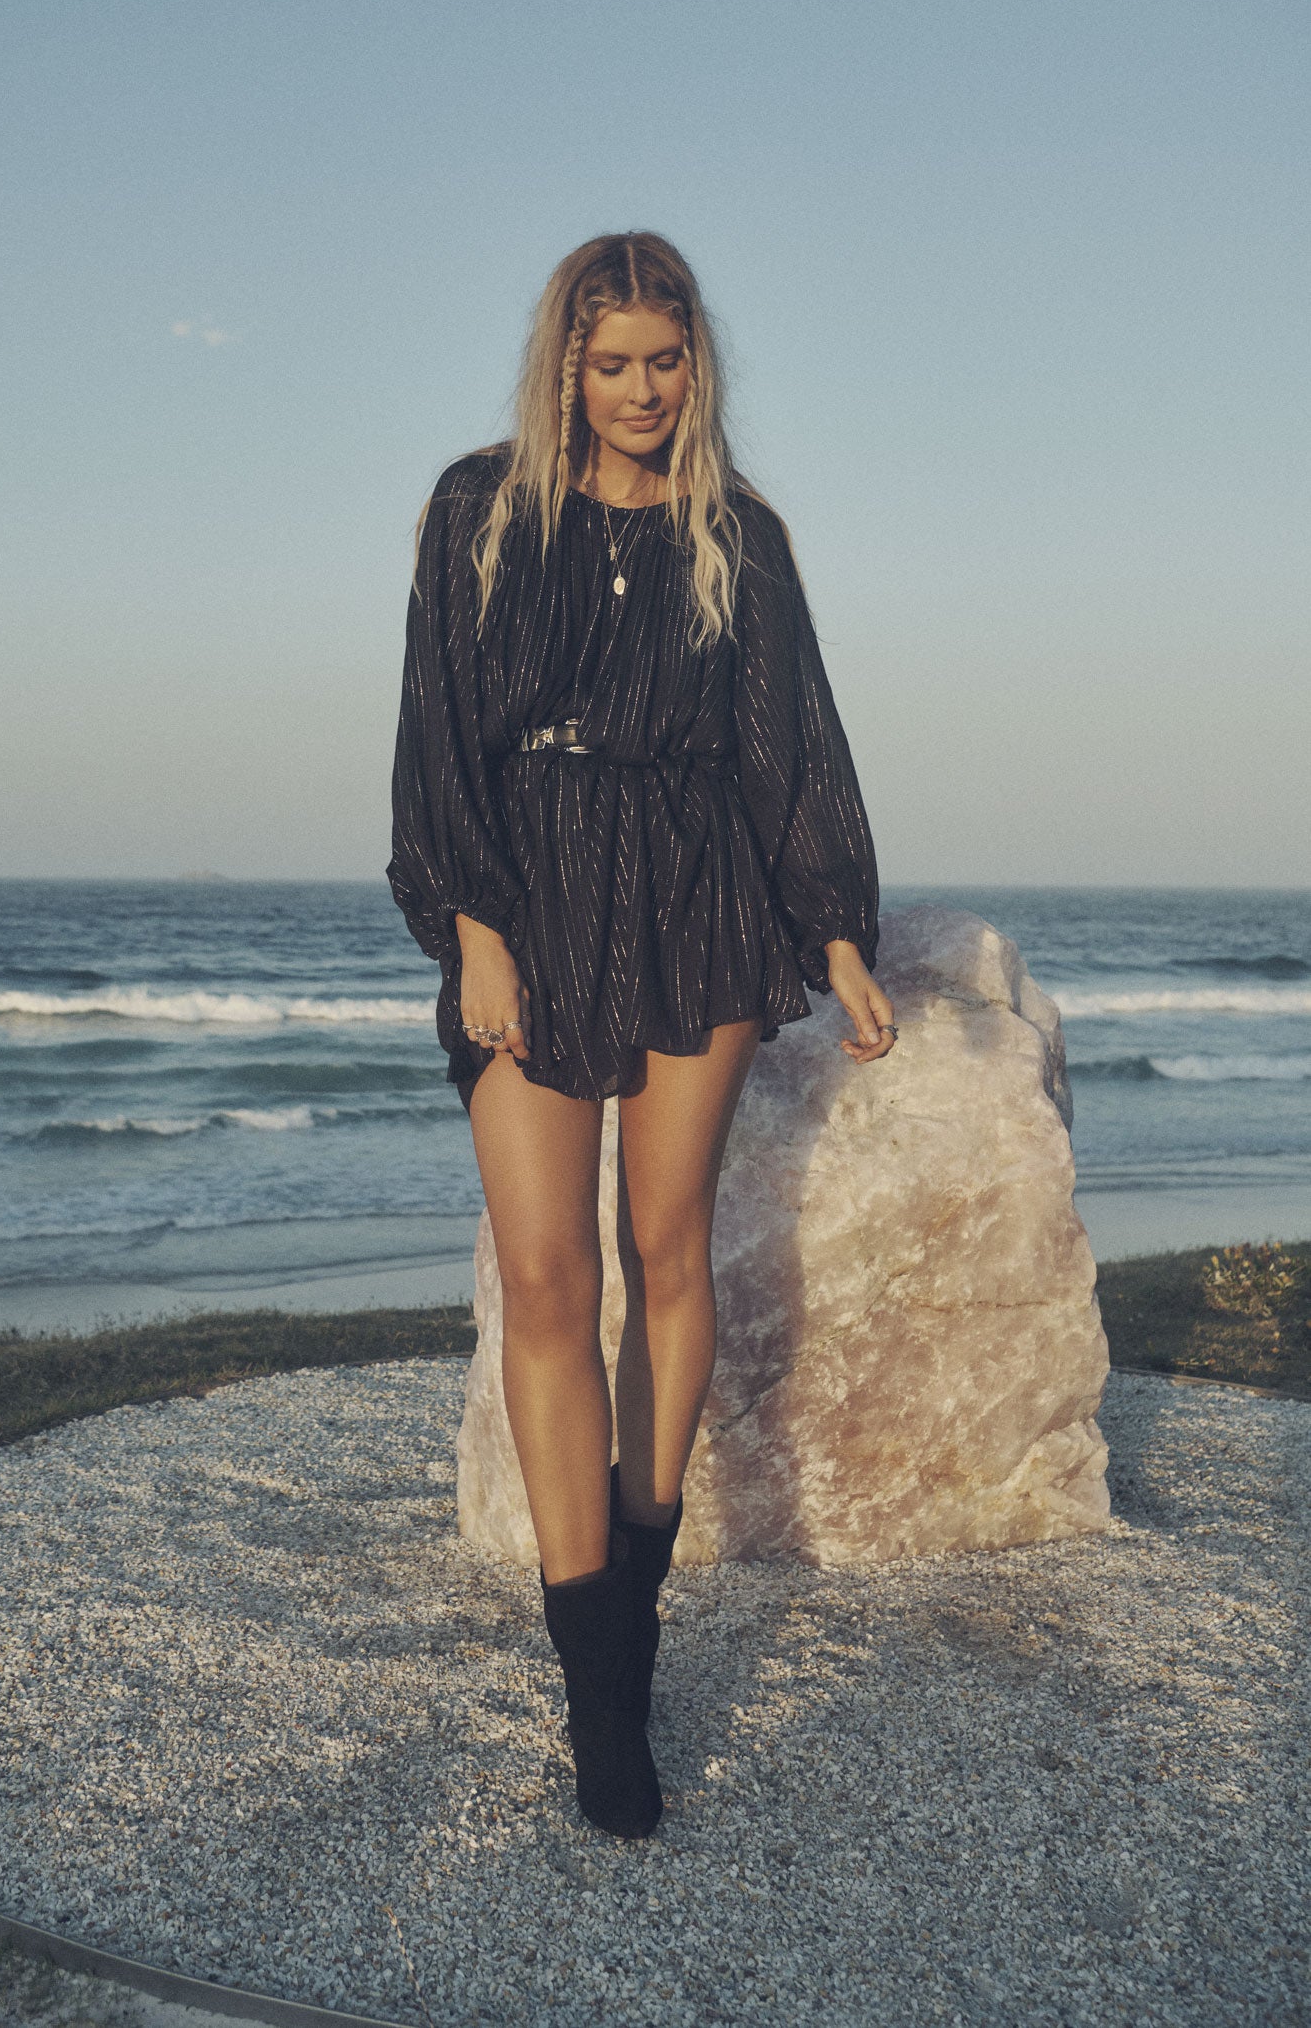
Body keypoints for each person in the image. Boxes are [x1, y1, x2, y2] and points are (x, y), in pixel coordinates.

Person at [386, 232, 892, 1841]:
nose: (642, 392)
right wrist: (473, 922)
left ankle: (634, 1615)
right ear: (564, 365)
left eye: (666, 361)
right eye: (613, 364)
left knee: (664, 1243)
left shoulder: (740, 536)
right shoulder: (477, 512)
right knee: (549, 1271)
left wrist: (836, 932)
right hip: (526, 895)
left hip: (696, 898)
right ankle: (594, 1674)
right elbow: (435, 728)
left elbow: (791, 740)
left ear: (697, 362)